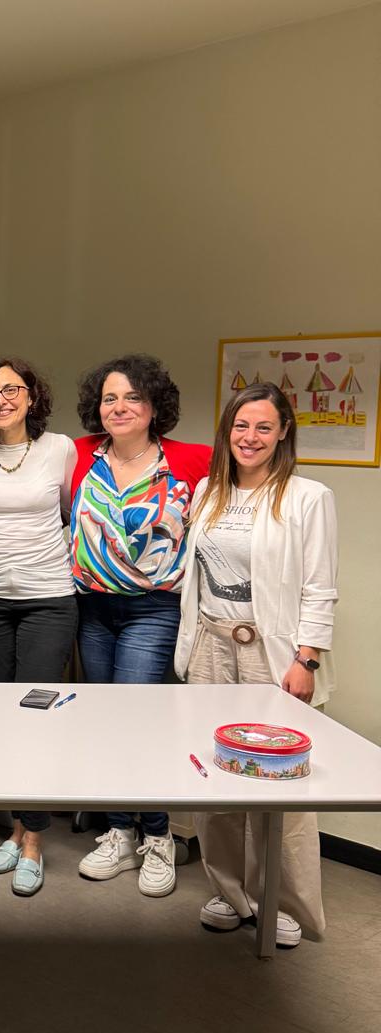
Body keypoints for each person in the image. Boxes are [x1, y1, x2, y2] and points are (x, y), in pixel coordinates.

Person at [175, 382, 336, 948]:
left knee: (279, 783)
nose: (250, 437)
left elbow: (320, 586)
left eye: (264, 427)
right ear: (227, 431)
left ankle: (280, 901)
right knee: (215, 777)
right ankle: (228, 891)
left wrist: (307, 658)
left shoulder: (307, 497)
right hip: (210, 647)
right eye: (241, 426)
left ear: (283, 432)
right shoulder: (209, 492)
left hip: (273, 653)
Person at [70, 353, 211, 898]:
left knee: (139, 722)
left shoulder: (191, 459)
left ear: (154, 406)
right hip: (94, 609)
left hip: (153, 610)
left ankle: (158, 838)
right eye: (110, 398)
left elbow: (249, 485)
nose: (120, 407)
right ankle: (119, 834)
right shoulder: (81, 456)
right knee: (107, 724)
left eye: (133, 397)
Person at [0, 357, 78, 896]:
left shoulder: (59, 449)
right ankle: (15, 828)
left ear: (31, 396)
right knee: (4, 717)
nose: (0, 400)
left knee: (37, 717)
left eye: (11, 389)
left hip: (47, 598)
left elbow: (70, 512)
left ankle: (34, 841)